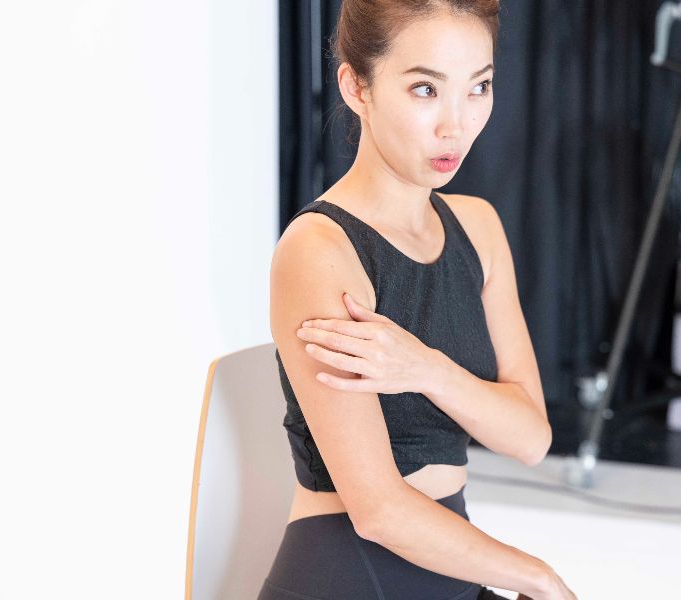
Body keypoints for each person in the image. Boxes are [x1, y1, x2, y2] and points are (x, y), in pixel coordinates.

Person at [262, 1, 578, 598]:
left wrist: (425, 368)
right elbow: (378, 510)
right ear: (357, 86)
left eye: (478, 87)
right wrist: (537, 576)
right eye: (426, 89)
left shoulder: (478, 227)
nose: (455, 125)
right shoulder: (320, 249)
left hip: (453, 571)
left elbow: (530, 438)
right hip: (349, 576)